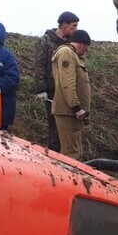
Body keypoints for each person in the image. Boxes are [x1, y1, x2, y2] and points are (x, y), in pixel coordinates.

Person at [34, 11, 79, 151]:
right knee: (54, 126)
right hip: (52, 91)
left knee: (67, 125)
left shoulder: (70, 44)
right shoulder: (46, 41)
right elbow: (39, 65)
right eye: (73, 26)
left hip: (66, 89)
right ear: (64, 25)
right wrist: (41, 89)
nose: (75, 29)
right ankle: (54, 154)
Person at [51, 29, 91, 160]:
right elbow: (68, 83)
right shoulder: (66, 53)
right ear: (81, 44)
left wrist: (85, 112)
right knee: (70, 154)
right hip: (68, 111)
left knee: (74, 151)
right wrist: (76, 107)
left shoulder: (73, 55)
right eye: (86, 47)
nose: (86, 51)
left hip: (74, 113)